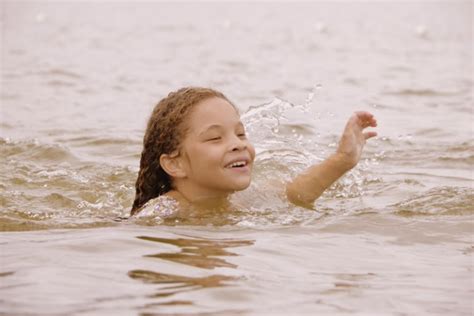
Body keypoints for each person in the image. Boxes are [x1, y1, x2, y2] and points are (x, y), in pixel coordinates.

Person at [130, 87, 377, 216]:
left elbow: (296, 193)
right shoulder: (167, 210)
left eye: (240, 134)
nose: (238, 144)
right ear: (175, 164)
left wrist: (343, 160)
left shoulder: (243, 199)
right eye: (215, 138)